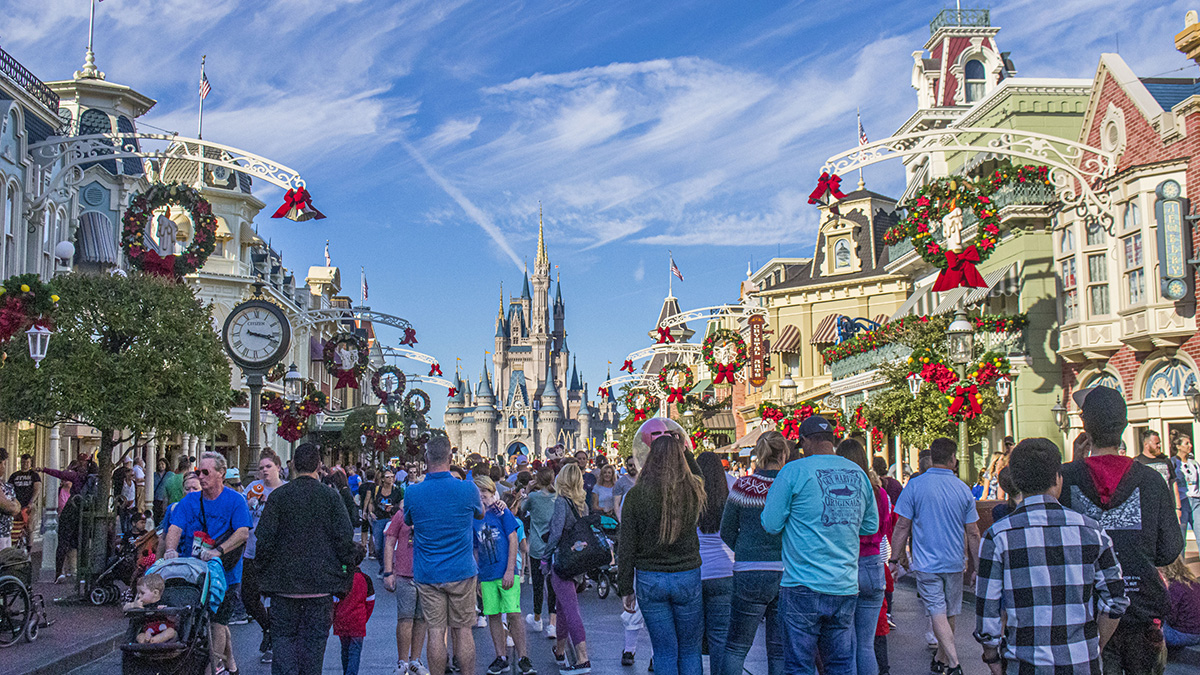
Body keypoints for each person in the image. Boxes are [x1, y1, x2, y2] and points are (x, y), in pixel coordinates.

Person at [974, 437, 1128, 674]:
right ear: (1057, 478)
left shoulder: (998, 536)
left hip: (1024, 663)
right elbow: (1116, 599)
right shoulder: (1091, 531)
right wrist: (1094, 645)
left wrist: (992, 657)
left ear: (1015, 480)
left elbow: (988, 611)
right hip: (1080, 662)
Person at [1060, 386, 1183, 675]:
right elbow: (1169, 549)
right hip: (1139, 606)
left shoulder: (1067, 479)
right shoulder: (1150, 480)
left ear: (1085, 427)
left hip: (1086, 609)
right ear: (1124, 426)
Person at [762, 416, 878, 675]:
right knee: (840, 664)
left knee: (799, 665)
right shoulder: (857, 473)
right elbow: (870, 526)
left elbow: (770, 524)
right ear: (832, 440)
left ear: (804, 442)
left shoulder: (794, 471)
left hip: (802, 583)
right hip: (844, 584)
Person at [256, 443, 357, 675]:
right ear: (319, 466)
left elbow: (264, 541)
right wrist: (343, 580)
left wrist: (265, 577)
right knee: (312, 656)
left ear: (292, 465)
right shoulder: (330, 498)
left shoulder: (279, 497)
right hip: (319, 589)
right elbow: (345, 540)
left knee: (283, 651)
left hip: (284, 589)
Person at [889, 438, 979, 675]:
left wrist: (894, 559)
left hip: (927, 561)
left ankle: (952, 662)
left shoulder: (916, 486)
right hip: (954, 561)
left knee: (937, 610)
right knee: (949, 611)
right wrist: (976, 566)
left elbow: (901, 526)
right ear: (952, 459)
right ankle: (943, 660)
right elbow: (973, 532)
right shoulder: (962, 489)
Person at [617, 435, 706, 675]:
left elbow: (626, 545)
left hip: (650, 576)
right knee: (689, 649)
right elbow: (701, 478)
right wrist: (685, 450)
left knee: (664, 650)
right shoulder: (693, 490)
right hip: (686, 573)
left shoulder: (636, 495)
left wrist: (625, 586)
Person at [163, 452, 251, 675]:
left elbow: (242, 533)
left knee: (217, 622)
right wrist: (171, 550)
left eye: (205, 472)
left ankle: (213, 669)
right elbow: (175, 528)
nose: (200, 477)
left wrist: (218, 551)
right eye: (197, 472)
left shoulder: (235, 501)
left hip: (225, 574)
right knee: (209, 621)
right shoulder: (189, 501)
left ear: (221, 473)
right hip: (194, 573)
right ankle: (230, 662)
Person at [404, 436, 485, 675]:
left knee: (436, 631)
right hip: (461, 570)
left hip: (429, 572)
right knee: (463, 630)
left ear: (426, 458)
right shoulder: (467, 489)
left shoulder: (413, 492)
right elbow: (479, 514)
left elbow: (408, 520)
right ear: (451, 458)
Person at [720, 431, 789, 675]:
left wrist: (746, 550)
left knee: (736, 647)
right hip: (786, 571)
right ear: (783, 454)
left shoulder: (743, 486)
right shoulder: (789, 486)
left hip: (749, 570)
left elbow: (726, 530)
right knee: (780, 649)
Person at [837, 438, 892, 675]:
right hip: (872, 563)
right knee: (866, 645)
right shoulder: (878, 492)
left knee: (847, 644)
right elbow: (885, 526)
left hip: (847, 563)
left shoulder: (839, 493)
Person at [474, 475, 536, 675]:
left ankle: (523, 657)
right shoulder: (474, 517)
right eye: (478, 493)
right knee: (493, 614)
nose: (482, 497)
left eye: (485, 493)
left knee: (513, 614)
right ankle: (501, 656)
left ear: (493, 493)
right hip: (487, 573)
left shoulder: (502, 512)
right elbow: (475, 548)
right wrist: (477, 577)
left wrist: (511, 570)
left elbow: (513, 540)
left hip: (505, 571)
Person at [545, 463, 593, 674]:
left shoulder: (561, 503)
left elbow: (555, 533)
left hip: (563, 561)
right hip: (578, 562)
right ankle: (560, 650)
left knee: (571, 609)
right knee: (562, 606)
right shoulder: (584, 505)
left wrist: (545, 558)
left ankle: (582, 658)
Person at [244, 452, 286, 664]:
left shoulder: (286, 491)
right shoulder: (252, 490)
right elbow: (243, 516)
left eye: (268, 466)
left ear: (278, 467)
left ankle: (274, 644)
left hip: (277, 554)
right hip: (252, 551)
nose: (264, 470)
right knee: (248, 596)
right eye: (261, 467)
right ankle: (267, 627)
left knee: (273, 598)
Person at [384, 491, 430, 675]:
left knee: (421, 619)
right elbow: (389, 542)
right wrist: (389, 571)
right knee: (405, 618)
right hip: (405, 573)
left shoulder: (429, 512)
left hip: (426, 573)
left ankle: (415, 660)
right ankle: (402, 661)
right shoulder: (401, 515)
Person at [695, 452, 733, 675]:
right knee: (720, 639)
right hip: (726, 570)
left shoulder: (689, 491)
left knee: (691, 641)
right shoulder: (732, 487)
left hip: (696, 571)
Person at [521, 467, 558, 640]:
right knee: (553, 586)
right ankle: (552, 623)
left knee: (537, 583)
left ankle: (537, 618)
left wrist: (528, 491)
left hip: (537, 545)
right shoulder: (557, 497)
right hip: (553, 545)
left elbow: (522, 508)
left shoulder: (534, 497)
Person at [333, 544, 376, 675]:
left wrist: (334, 617)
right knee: (355, 652)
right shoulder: (365, 579)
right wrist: (364, 618)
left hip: (342, 619)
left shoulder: (342, 579)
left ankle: (346, 671)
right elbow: (370, 601)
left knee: (344, 650)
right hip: (358, 621)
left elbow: (335, 601)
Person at [125, 573, 178, 644]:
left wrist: (166, 611)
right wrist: (133, 605)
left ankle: (154, 640)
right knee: (139, 636)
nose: (139, 596)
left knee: (171, 632)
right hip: (148, 631)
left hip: (164, 631)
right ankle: (146, 640)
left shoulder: (166, 603)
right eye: (138, 593)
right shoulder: (142, 605)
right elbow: (125, 608)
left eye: (142, 593)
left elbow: (175, 618)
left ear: (155, 593)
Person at [1162, 556, 1200, 648]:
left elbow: (1171, 617)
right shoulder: (1193, 583)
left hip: (1183, 634)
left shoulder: (1174, 587)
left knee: (1147, 628)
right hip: (1197, 632)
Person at [1172, 430, 1198, 543]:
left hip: (1196, 501)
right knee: (1181, 537)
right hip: (1182, 501)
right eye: (1186, 443)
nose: (1190, 446)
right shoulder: (1173, 463)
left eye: (1190, 443)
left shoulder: (1194, 463)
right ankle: (1181, 560)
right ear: (1178, 446)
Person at [9, 453, 40, 548]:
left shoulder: (34, 475)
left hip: (29, 504)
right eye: (23, 462)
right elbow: (9, 489)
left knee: (29, 527)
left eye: (27, 462)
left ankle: (29, 548)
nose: (25, 464)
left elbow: (37, 489)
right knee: (14, 526)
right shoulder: (14, 475)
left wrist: (31, 502)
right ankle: (15, 545)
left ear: (30, 463)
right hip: (16, 505)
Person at [370, 469, 401, 564]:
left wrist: (393, 507)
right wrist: (371, 512)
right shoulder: (377, 490)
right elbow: (371, 502)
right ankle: (381, 564)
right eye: (388, 477)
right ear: (383, 479)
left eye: (392, 477)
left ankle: (387, 567)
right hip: (379, 519)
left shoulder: (396, 491)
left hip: (391, 519)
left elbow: (401, 504)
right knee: (378, 546)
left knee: (387, 545)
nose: (390, 479)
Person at [0, 448, 19, 551]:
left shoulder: (4, 485)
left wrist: (14, 505)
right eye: (3, 464)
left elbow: (17, 506)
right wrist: (13, 505)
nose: (4, 467)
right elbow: (9, 507)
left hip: (6, 532)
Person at [152, 458, 171, 525]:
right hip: (156, 498)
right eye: (159, 464)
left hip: (165, 498)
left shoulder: (170, 474)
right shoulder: (154, 475)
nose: (161, 466)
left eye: (162, 464)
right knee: (156, 516)